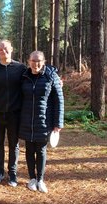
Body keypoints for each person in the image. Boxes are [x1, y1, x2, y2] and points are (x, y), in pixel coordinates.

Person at [19, 50, 64, 193]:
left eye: (39, 61)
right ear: (29, 61)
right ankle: (31, 178)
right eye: (33, 61)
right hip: (27, 119)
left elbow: (59, 101)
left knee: (41, 150)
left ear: (43, 62)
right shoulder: (24, 76)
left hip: (44, 120)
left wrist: (58, 124)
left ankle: (40, 180)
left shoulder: (51, 76)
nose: (36, 64)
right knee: (29, 150)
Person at [0, 39, 27, 186]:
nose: (3, 51)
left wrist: (55, 79)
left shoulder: (21, 68)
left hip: (15, 114)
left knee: (14, 144)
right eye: (0, 49)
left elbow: (35, 78)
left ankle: (13, 173)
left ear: (12, 49)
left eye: (6, 48)